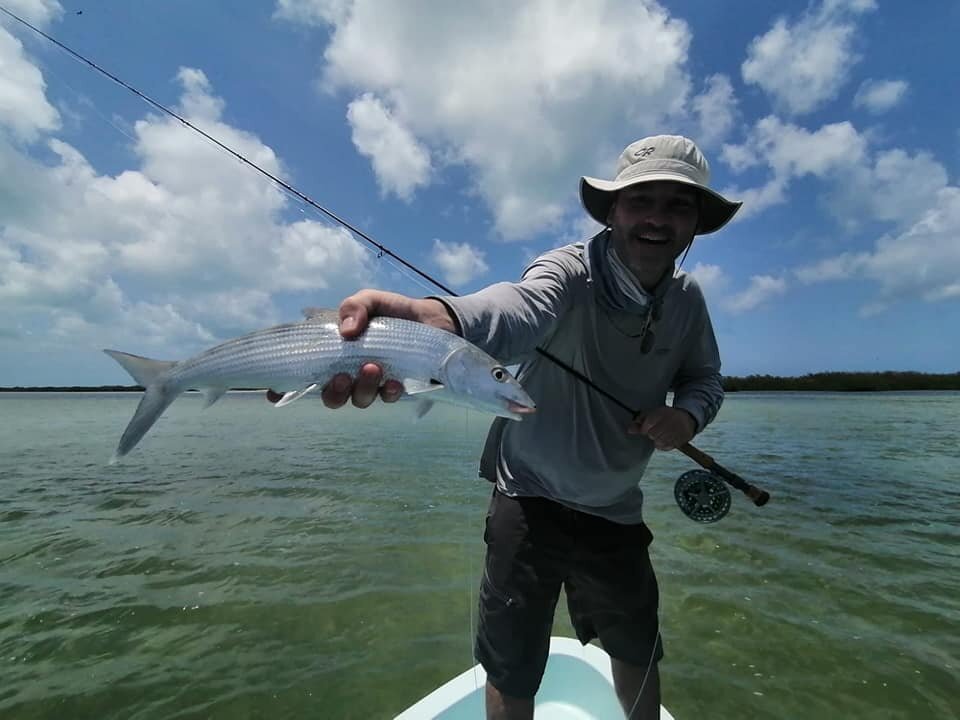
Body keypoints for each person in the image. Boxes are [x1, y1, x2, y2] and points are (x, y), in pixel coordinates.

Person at [297, 135, 741, 719]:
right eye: (642, 201)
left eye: (678, 205)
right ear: (613, 211)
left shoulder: (689, 300)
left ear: (697, 224)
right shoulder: (567, 271)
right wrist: (441, 319)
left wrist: (686, 415)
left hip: (616, 508)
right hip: (528, 497)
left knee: (637, 647)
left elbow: (706, 379)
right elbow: (514, 309)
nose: (658, 218)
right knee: (513, 661)